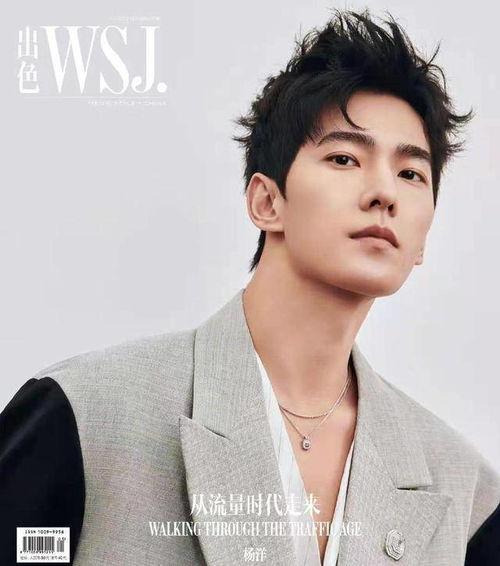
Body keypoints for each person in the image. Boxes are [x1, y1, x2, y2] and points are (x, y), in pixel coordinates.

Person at [1, 8, 498, 566]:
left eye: (411, 174)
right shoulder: (84, 416)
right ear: (266, 201)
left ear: (422, 238)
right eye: (344, 158)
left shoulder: (468, 497)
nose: (385, 192)